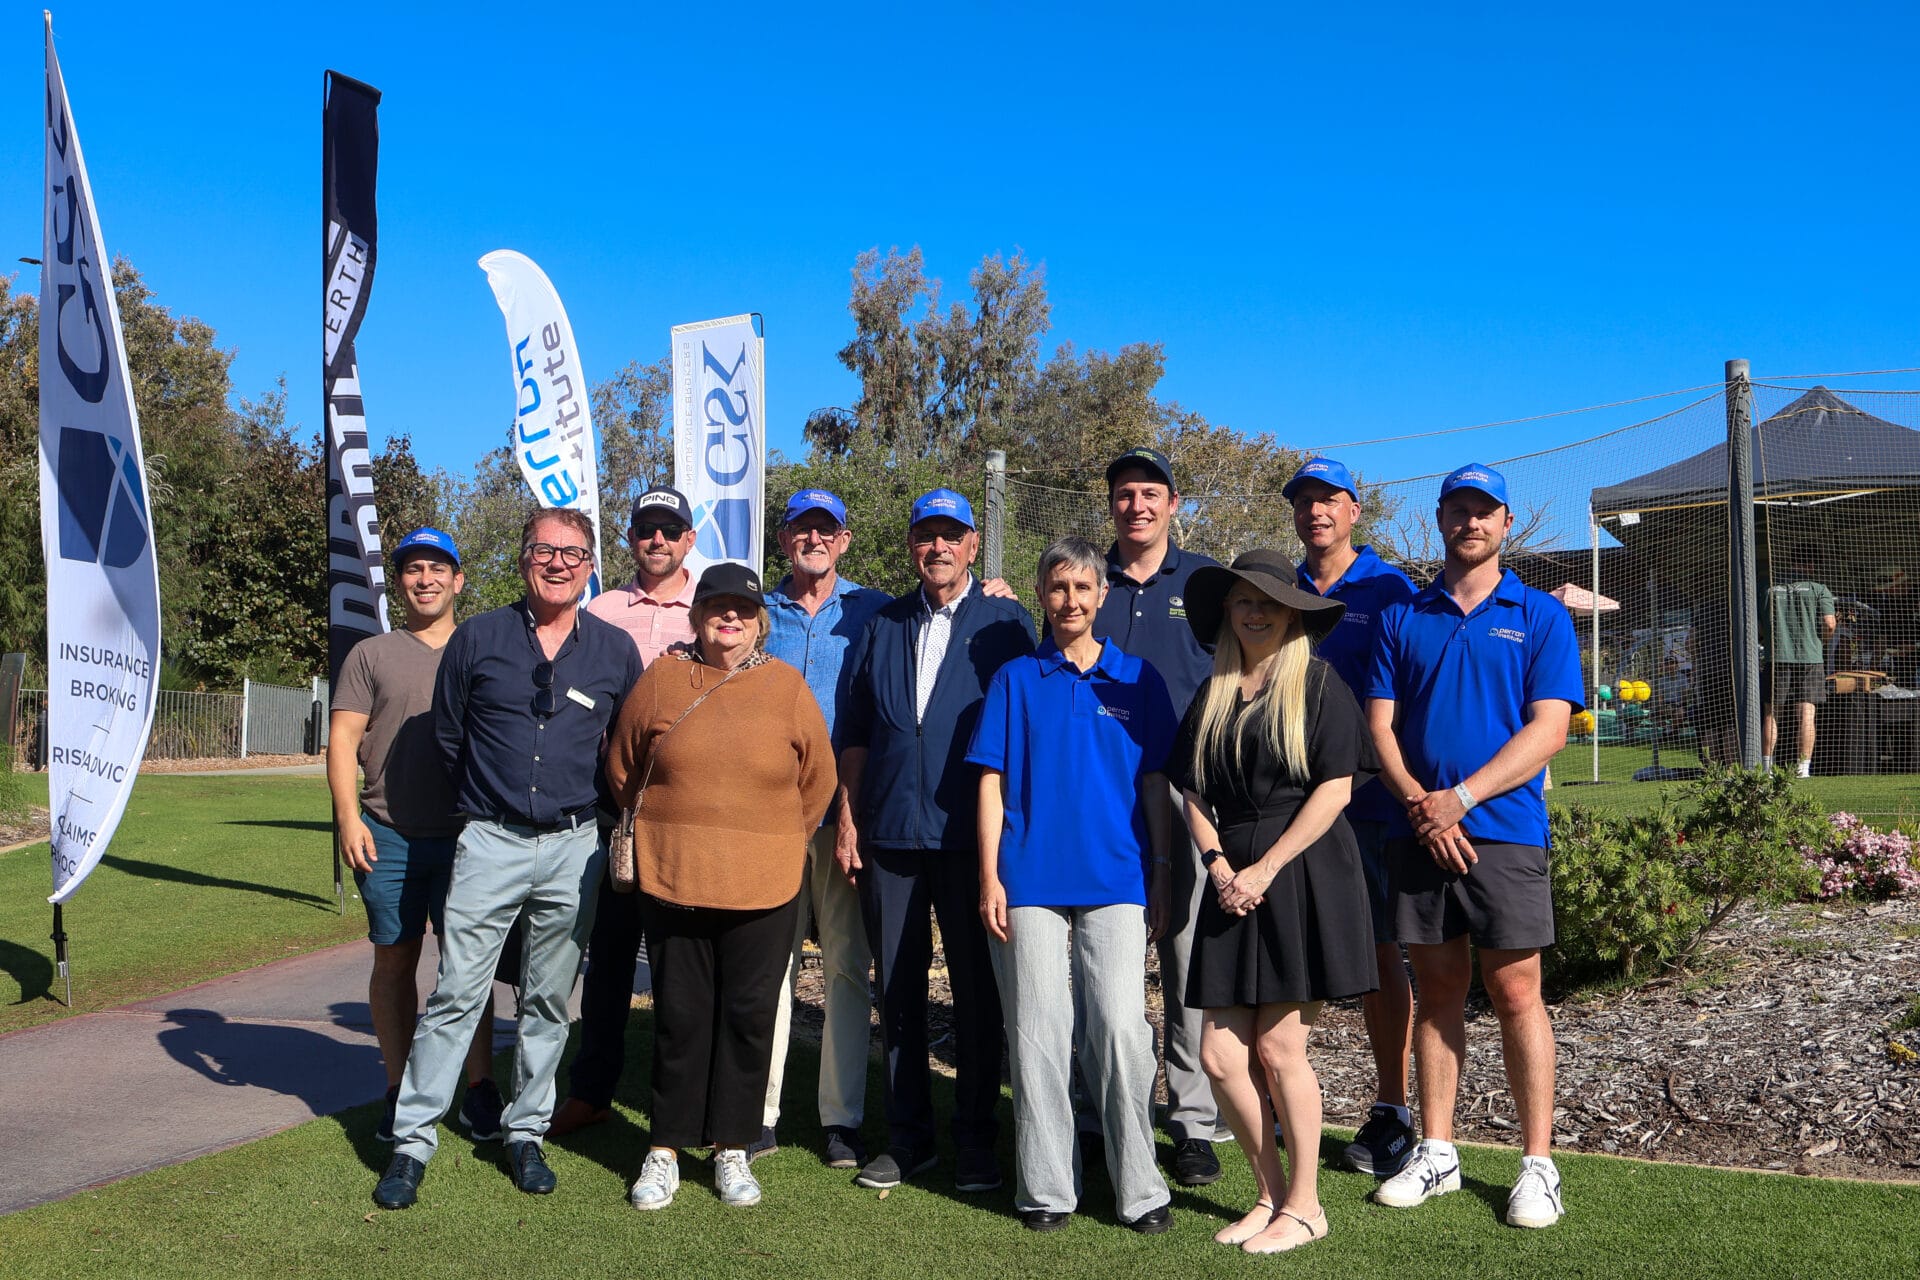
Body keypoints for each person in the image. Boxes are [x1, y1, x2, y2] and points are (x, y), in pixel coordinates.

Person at [373, 508, 643, 1209]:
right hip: (490, 840)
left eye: (573, 552)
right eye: (544, 549)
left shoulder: (615, 651)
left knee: (549, 998)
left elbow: (623, 750)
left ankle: (526, 1132)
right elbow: (452, 736)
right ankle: (411, 1143)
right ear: (524, 558)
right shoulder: (478, 638)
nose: (558, 562)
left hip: (574, 847)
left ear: (591, 565)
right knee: (458, 992)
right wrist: (493, 804)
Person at [1365, 463, 1583, 1230]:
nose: (1471, 523)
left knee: (1519, 992)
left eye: (1484, 512)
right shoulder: (1404, 614)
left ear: (1506, 523)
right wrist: (1425, 808)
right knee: (1439, 992)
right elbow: (1379, 728)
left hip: (1506, 833)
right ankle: (1438, 1152)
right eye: (1458, 510)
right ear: (1439, 520)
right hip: (1418, 833)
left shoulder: (1541, 617)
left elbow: (1549, 728)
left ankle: (1537, 1166)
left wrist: (1460, 798)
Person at [610, 562, 837, 1211]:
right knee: (681, 1018)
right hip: (674, 875)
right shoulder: (662, 680)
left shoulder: (785, 685)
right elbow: (623, 765)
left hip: (764, 886)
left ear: (758, 618)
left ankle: (732, 1148)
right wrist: (665, 825)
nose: (728, 617)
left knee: (746, 1017)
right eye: (716, 606)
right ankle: (665, 1149)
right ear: (698, 614)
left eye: (741, 608)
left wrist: (775, 837)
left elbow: (817, 777)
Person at [968, 536, 1177, 1234]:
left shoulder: (1136, 681)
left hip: (1116, 877)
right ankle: (1048, 1190)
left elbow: (1155, 786)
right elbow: (991, 784)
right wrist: (990, 874)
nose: (1070, 601)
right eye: (1058, 588)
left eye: (1083, 589)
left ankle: (1140, 1190)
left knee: (1119, 1029)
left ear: (1102, 596)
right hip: (1028, 878)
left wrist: (1164, 870)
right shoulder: (1015, 681)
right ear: (1041, 595)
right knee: (1039, 1031)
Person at [1170, 549, 1377, 1255]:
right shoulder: (1215, 691)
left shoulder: (1318, 685)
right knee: (1221, 1056)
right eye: (1242, 602)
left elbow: (1336, 789)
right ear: (1227, 614)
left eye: (1268, 602)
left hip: (1303, 873)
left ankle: (1308, 1205)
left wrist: (1266, 867)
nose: (1254, 612)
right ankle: (1270, 1194)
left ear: (1291, 612)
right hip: (1231, 882)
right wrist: (1221, 864)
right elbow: (1191, 791)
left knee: (1279, 1044)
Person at [836, 487, 1037, 1193]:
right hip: (889, 834)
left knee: (979, 996)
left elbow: (1027, 729)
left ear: (974, 546)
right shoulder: (883, 624)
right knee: (896, 993)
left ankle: (977, 1140)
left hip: (969, 840)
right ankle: (908, 1138)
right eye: (927, 535)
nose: (938, 547)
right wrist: (851, 814)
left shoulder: (1007, 623)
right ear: (913, 544)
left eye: (952, 535)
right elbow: (855, 730)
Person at [328, 527, 500, 1146]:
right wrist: (349, 819)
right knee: (395, 960)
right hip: (388, 835)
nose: (424, 579)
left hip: (470, 837)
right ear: (399, 582)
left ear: (458, 580)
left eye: (437, 569)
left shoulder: (485, 649)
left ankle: (479, 1088)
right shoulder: (371, 654)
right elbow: (344, 740)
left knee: (468, 966)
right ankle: (399, 1089)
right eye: (412, 569)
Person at [1091, 446, 1226, 1187]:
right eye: (1123, 493)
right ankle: (1104, 1110)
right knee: (1104, 959)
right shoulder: (1088, 578)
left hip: (1185, 792)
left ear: (1174, 503)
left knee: (1182, 961)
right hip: (1100, 795)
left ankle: (1193, 1122)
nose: (1136, 505)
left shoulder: (1203, 580)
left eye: (1150, 493)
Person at [1282, 457, 1419, 1178]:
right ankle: (1281, 1090)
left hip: (1365, 806)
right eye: (1304, 501)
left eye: (1329, 499)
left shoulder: (1391, 589)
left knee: (1376, 956)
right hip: (1284, 806)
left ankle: (1392, 1110)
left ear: (1355, 510)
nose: (1316, 512)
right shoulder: (1282, 587)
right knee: (1290, 951)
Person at [549, 485, 699, 1140]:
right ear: (631, 539)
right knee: (608, 960)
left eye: (670, 530)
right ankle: (592, 1090)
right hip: (613, 812)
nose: (657, 540)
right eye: (646, 530)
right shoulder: (600, 609)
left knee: (679, 964)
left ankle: (683, 1102)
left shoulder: (715, 607)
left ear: (689, 539)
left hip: (689, 813)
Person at [760, 489, 890, 1169]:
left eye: (827, 530)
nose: (814, 539)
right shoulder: (756, 611)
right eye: (802, 529)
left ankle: (841, 1121)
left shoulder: (874, 611)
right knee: (770, 964)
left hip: (844, 814)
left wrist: (995, 591)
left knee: (845, 965)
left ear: (843, 541)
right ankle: (761, 1113)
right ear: (784, 540)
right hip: (769, 817)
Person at [1763, 547, 1837, 778]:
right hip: (1810, 657)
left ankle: (1766, 768)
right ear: (1813, 565)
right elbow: (1830, 624)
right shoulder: (1819, 589)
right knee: (1806, 713)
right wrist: (1819, 643)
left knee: (1771, 713)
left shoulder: (1769, 588)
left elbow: (1758, 625)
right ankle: (1802, 769)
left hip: (1776, 657)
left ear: (1790, 561)